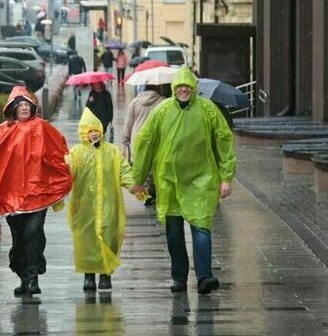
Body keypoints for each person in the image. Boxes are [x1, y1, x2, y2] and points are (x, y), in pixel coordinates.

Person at [131, 67, 236, 295]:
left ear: (193, 88)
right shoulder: (162, 111)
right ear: (174, 89)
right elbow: (145, 142)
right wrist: (138, 178)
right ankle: (179, 277)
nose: (183, 90)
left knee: (201, 228)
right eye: (179, 87)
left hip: (201, 180)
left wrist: (226, 177)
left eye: (187, 86)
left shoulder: (208, 109)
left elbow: (224, 140)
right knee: (174, 233)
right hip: (169, 182)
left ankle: (205, 277)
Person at [0, 86, 73, 297]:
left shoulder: (43, 128)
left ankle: (33, 276)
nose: (24, 108)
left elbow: (58, 153)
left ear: (32, 107)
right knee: (18, 237)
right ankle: (24, 275)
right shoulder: (2, 132)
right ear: (13, 109)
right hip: (11, 199)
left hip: (37, 194)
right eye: (20, 105)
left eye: (27, 105)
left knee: (33, 232)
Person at [64, 108, 135, 291]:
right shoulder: (76, 153)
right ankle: (89, 276)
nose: (94, 134)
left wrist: (135, 187)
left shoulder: (112, 152)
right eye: (90, 131)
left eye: (96, 130)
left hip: (109, 205)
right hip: (84, 207)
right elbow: (66, 173)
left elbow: (124, 171)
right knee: (87, 241)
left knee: (109, 237)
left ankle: (105, 275)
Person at [121, 84, 166, 205]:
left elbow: (128, 122)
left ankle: (146, 191)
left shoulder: (135, 102)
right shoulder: (163, 102)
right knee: (154, 164)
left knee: (141, 164)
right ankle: (153, 189)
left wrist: (125, 140)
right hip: (155, 138)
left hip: (138, 138)